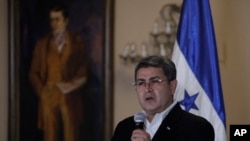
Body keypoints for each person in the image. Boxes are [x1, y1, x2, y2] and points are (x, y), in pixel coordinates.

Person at [111, 56, 214, 141]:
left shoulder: (197, 127)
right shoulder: (124, 128)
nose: (147, 89)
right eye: (141, 83)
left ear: (172, 86)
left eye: (155, 81)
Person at [29, 3, 88, 141]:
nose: (54, 23)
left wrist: (75, 82)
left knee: (71, 135)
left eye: (57, 19)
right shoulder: (42, 44)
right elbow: (33, 73)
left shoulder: (77, 41)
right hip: (49, 95)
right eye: (52, 19)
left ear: (66, 21)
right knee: (50, 136)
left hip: (70, 96)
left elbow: (83, 67)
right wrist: (42, 91)